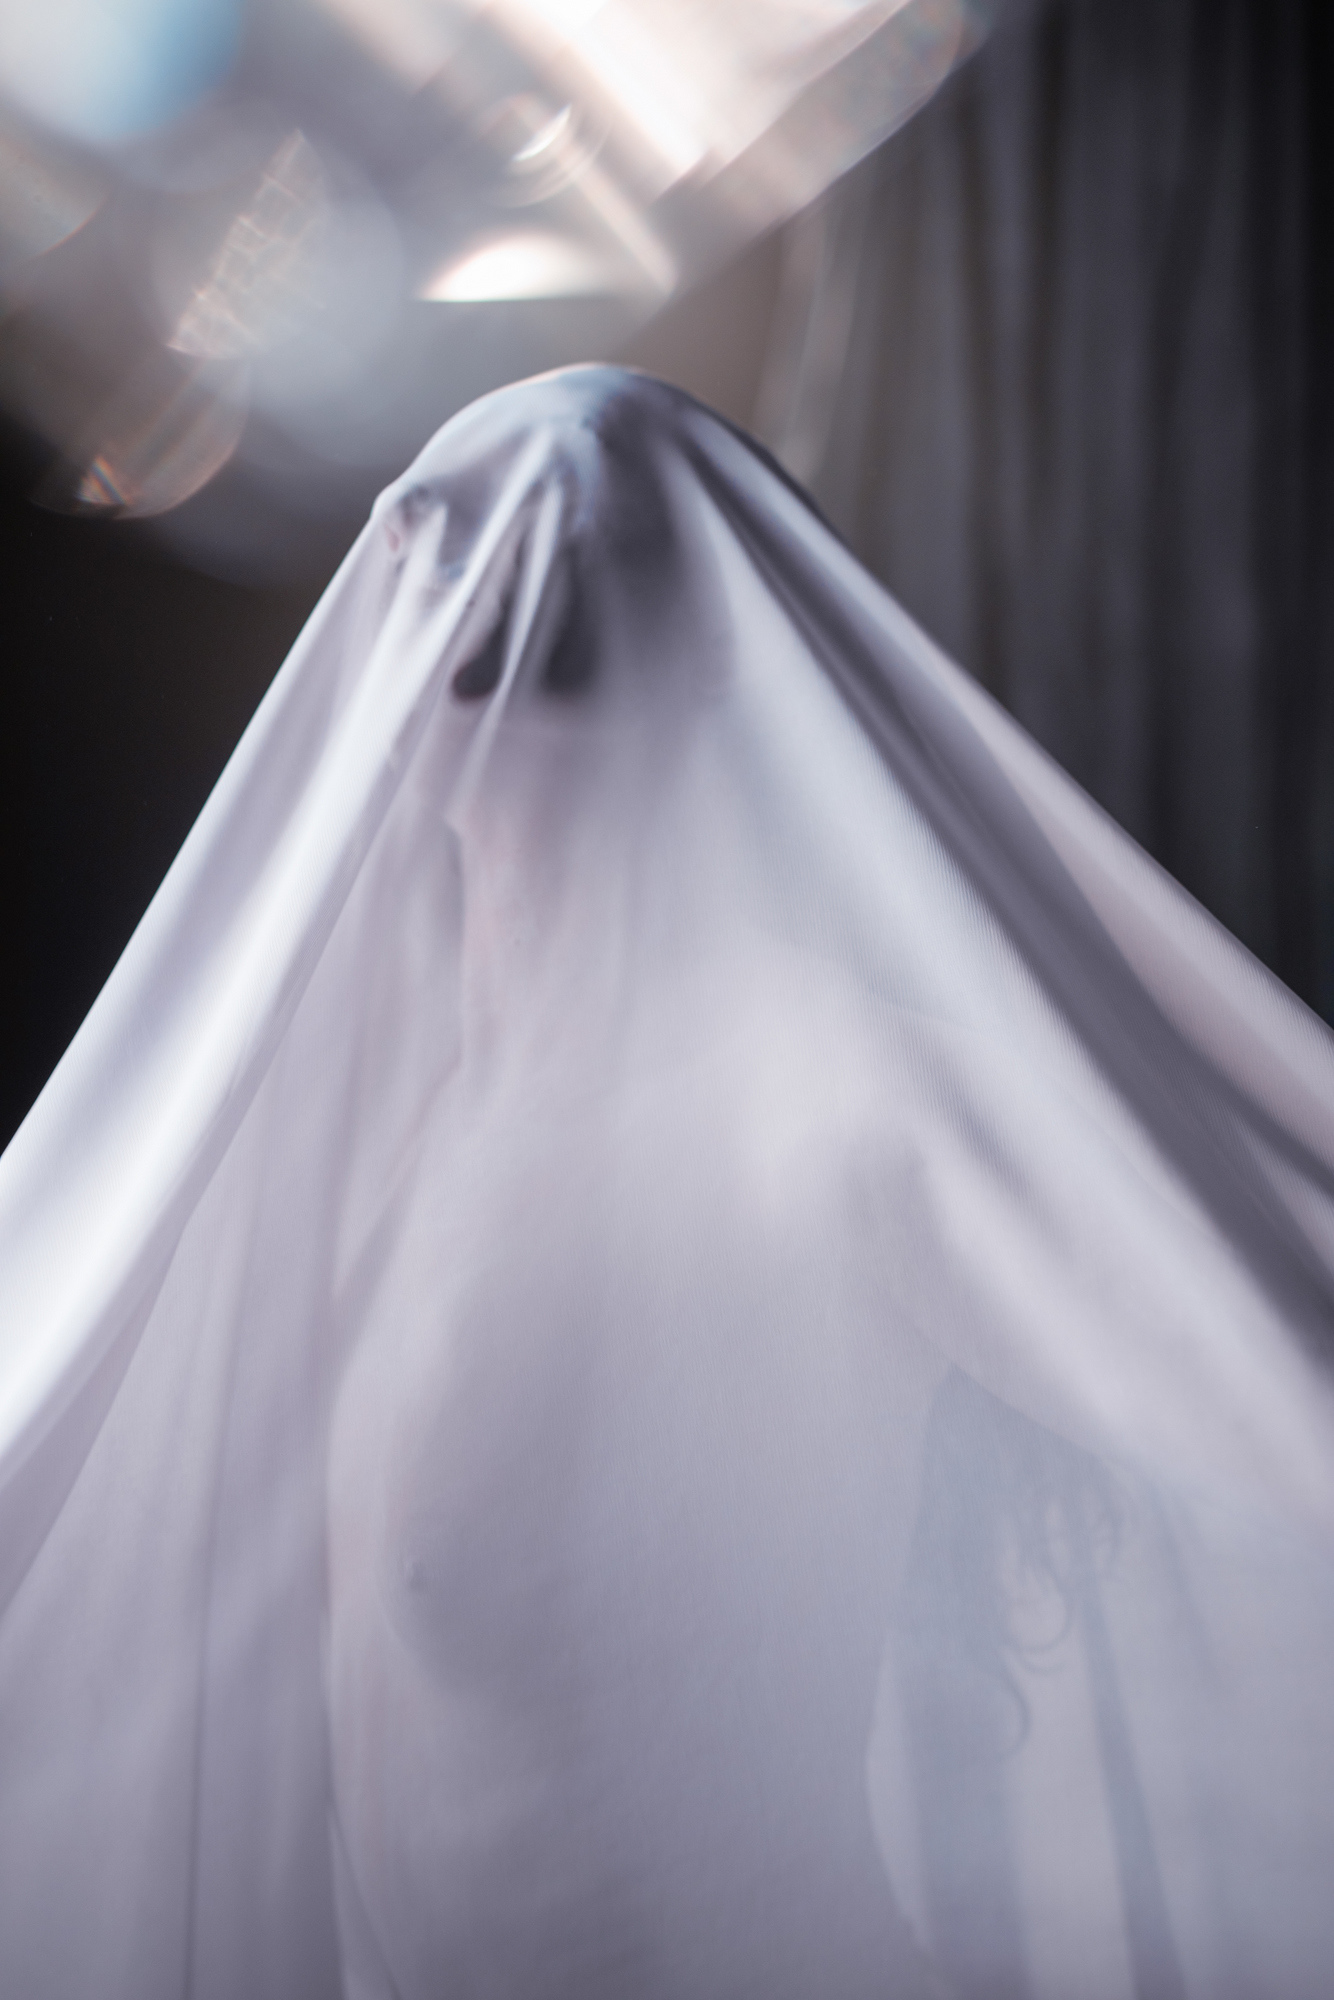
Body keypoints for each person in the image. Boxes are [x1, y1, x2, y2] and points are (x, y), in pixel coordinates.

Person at [1, 367, 1332, 2000]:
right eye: (454, 594)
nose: (476, 657)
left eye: (532, 611)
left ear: (715, 648)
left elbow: (1285, 1409)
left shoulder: (832, 1104)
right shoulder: (355, 1119)